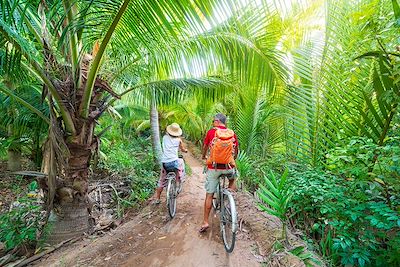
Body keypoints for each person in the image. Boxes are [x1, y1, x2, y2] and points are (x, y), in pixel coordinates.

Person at [199, 113, 239, 232]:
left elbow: (205, 146)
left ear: (217, 121)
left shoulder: (212, 132)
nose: (212, 123)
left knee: (209, 195)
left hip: (214, 168)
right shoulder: (231, 133)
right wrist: (232, 160)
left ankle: (205, 222)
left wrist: (203, 156)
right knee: (233, 178)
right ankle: (228, 197)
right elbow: (236, 150)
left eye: (213, 121)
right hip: (228, 167)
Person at [152, 122, 188, 204]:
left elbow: (166, 133)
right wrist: (185, 150)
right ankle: (180, 179)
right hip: (174, 162)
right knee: (181, 162)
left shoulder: (165, 137)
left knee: (161, 180)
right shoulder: (179, 140)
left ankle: (157, 198)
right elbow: (182, 149)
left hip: (165, 163)